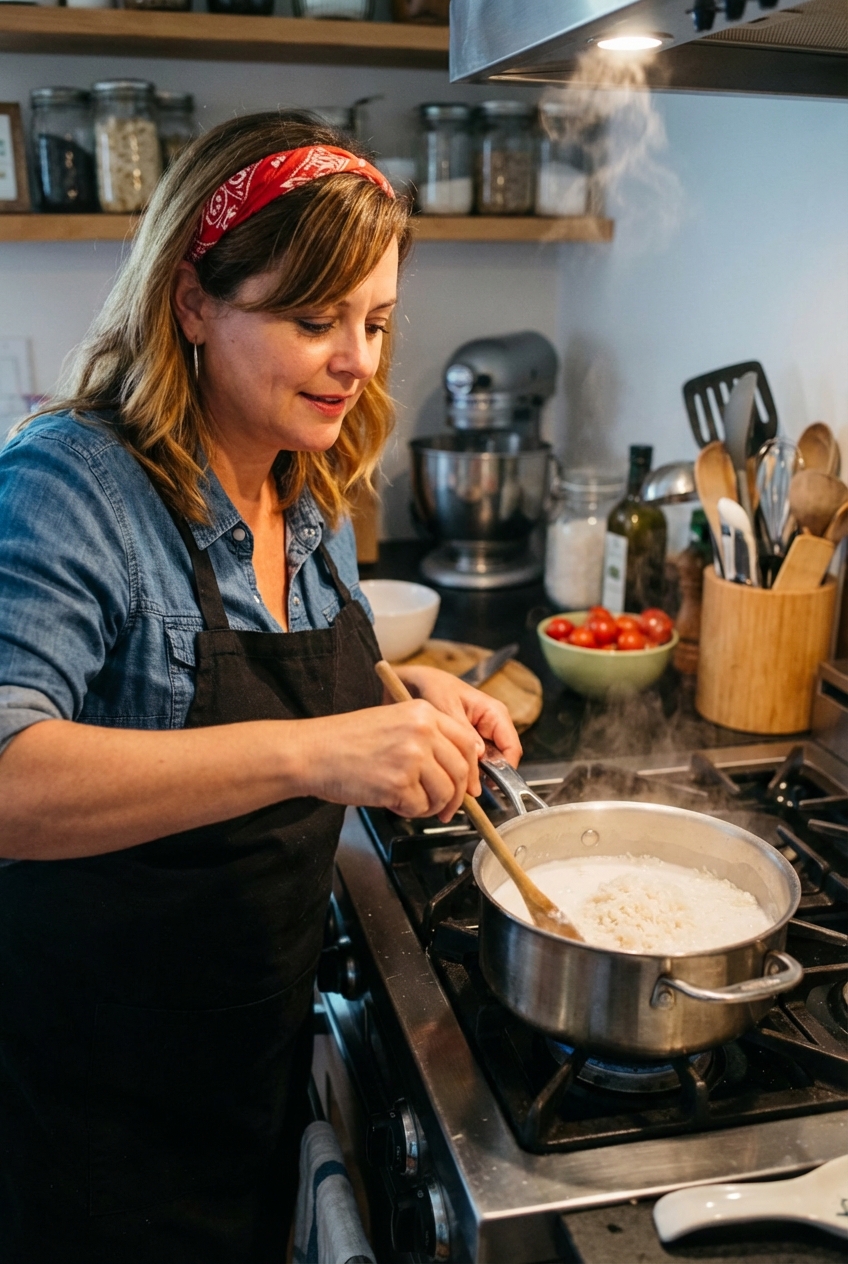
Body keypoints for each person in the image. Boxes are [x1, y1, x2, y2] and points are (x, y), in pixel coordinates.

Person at [0, 111, 521, 1264]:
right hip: (93, 1114)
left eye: (375, 321)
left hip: (248, 1060)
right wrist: (324, 749)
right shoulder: (72, 483)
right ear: (192, 300)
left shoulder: (306, 475)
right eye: (311, 319)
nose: (358, 361)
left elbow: (326, 662)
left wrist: (411, 696)